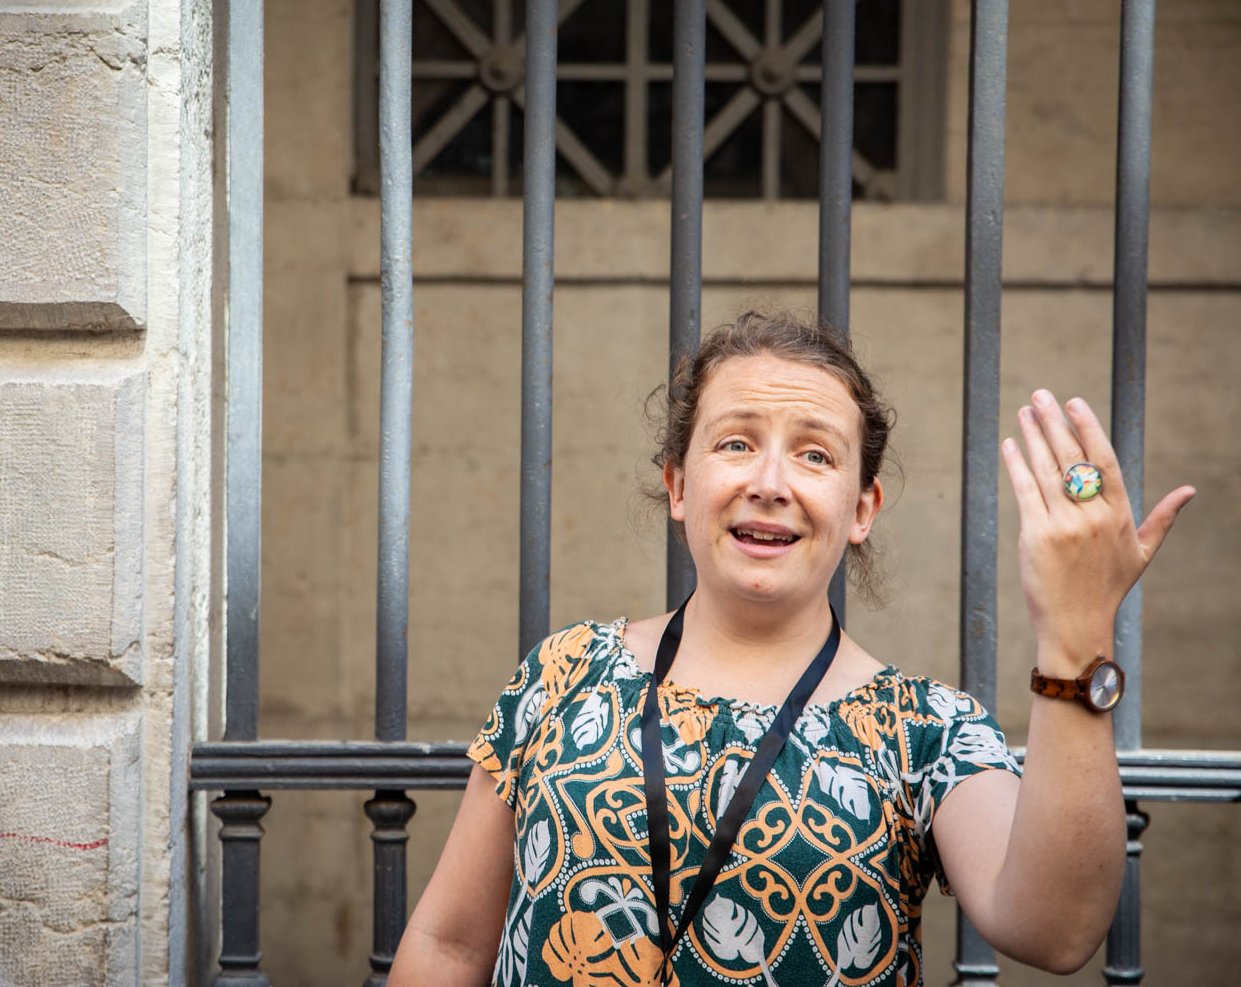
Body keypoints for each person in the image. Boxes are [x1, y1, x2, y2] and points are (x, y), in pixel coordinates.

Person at [387, 312, 1194, 987]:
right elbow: (449, 943)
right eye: (736, 443)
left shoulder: (924, 729)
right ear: (678, 485)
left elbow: (1056, 932)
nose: (770, 481)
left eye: (815, 454)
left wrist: (1076, 633)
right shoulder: (563, 673)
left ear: (862, 508)